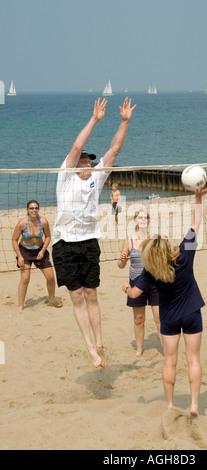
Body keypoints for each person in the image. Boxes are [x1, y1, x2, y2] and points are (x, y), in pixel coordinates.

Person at [52, 97, 136, 368]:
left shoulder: (96, 179)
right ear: (76, 164)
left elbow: (114, 150)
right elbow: (76, 146)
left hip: (89, 242)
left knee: (91, 295)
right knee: (76, 297)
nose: (88, 164)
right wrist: (95, 119)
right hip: (64, 244)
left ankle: (100, 343)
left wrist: (124, 122)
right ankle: (90, 348)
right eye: (85, 161)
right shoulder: (65, 177)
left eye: (90, 161)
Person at [122, 185, 207, 416]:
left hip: (169, 318)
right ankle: (193, 404)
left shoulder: (151, 270)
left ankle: (171, 406)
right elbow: (196, 222)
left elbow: (133, 294)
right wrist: (198, 197)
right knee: (193, 360)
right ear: (167, 246)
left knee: (170, 362)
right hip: (192, 314)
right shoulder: (184, 255)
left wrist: (125, 287)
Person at [118, 210, 160, 356]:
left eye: (145, 217)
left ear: (148, 221)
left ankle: (167, 347)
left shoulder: (155, 239)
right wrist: (122, 260)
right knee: (138, 319)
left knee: (159, 318)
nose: (143, 220)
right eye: (140, 217)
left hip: (154, 282)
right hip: (136, 282)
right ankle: (139, 348)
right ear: (135, 221)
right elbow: (121, 265)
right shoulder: (128, 241)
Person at [12, 200, 63, 312]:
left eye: (36, 208)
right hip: (25, 252)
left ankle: (52, 299)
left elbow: (48, 237)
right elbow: (14, 240)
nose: (34, 210)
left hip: (40, 251)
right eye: (31, 208)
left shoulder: (43, 222)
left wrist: (43, 250)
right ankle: (21, 305)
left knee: (50, 277)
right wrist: (19, 256)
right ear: (27, 210)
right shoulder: (21, 223)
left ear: (38, 209)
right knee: (25, 279)